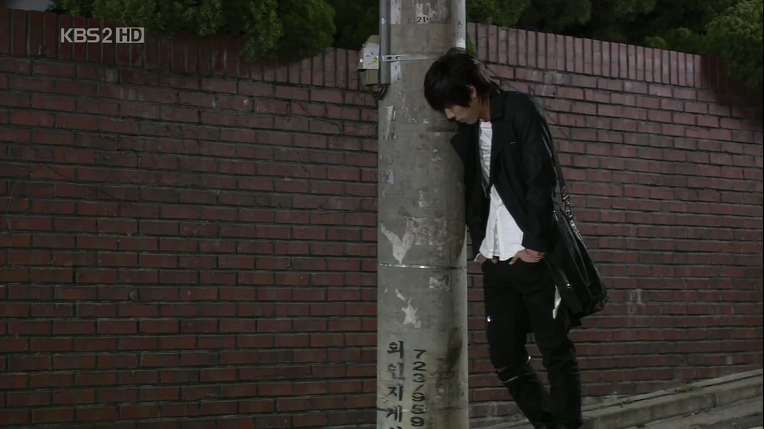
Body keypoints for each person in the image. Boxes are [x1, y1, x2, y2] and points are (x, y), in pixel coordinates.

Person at [423, 47, 583, 429]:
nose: (449, 115)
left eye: (451, 105)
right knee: (504, 356)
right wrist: (480, 244)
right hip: (495, 259)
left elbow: (541, 179)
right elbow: (477, 193)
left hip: (532, 256)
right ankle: (547, 422)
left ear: (470, 90)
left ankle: (566, 425)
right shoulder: (468, 132)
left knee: (554, 349)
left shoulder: (520, 110)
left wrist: (536, 246)